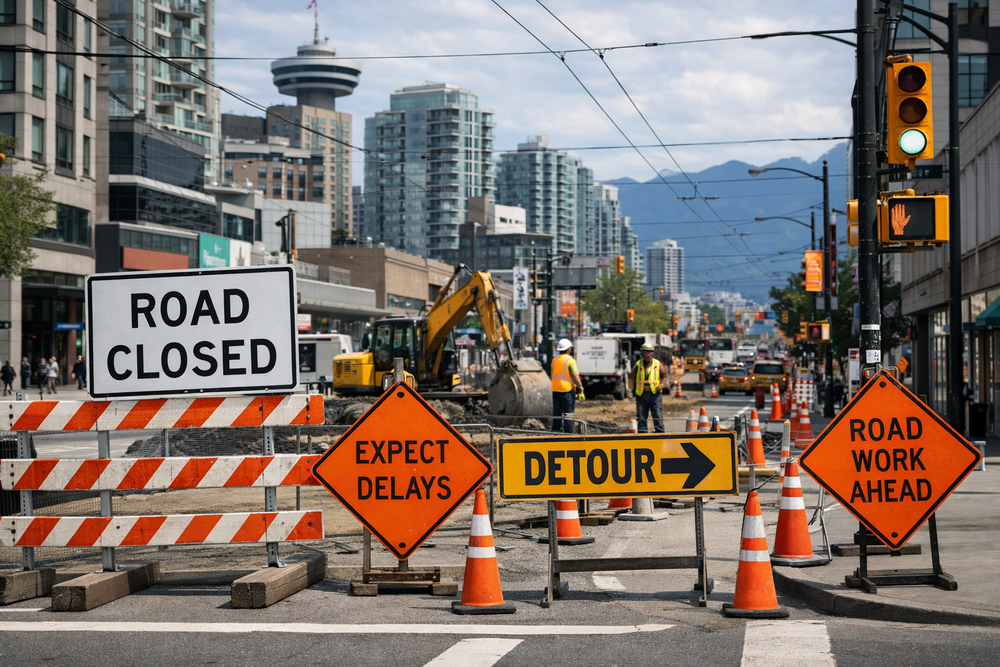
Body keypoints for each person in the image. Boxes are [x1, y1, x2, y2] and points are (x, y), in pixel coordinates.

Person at [628, 343, 669, 434]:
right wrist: (629, 390)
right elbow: (631, 377)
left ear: (652, 353)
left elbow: (665, 376)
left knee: (657, 415)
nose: (647, 354)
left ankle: (660, 434)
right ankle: (643, 435)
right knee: (641, 416)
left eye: (649, 352)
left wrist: (661, 385)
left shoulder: (657, 364)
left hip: (655, 394)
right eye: (645, 352)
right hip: (641, 395)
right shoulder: (638, 364)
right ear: (642, 352)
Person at [550, 338, 584, 434]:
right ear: (568, 349)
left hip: (555, 390)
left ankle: (556, 432)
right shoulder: (570, 360)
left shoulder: (554, 361)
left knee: (557, 413)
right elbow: (575, 376)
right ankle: (568, 433)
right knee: (568, 413)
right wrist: (580, 387)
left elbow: (553, 374)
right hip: (566, 391)